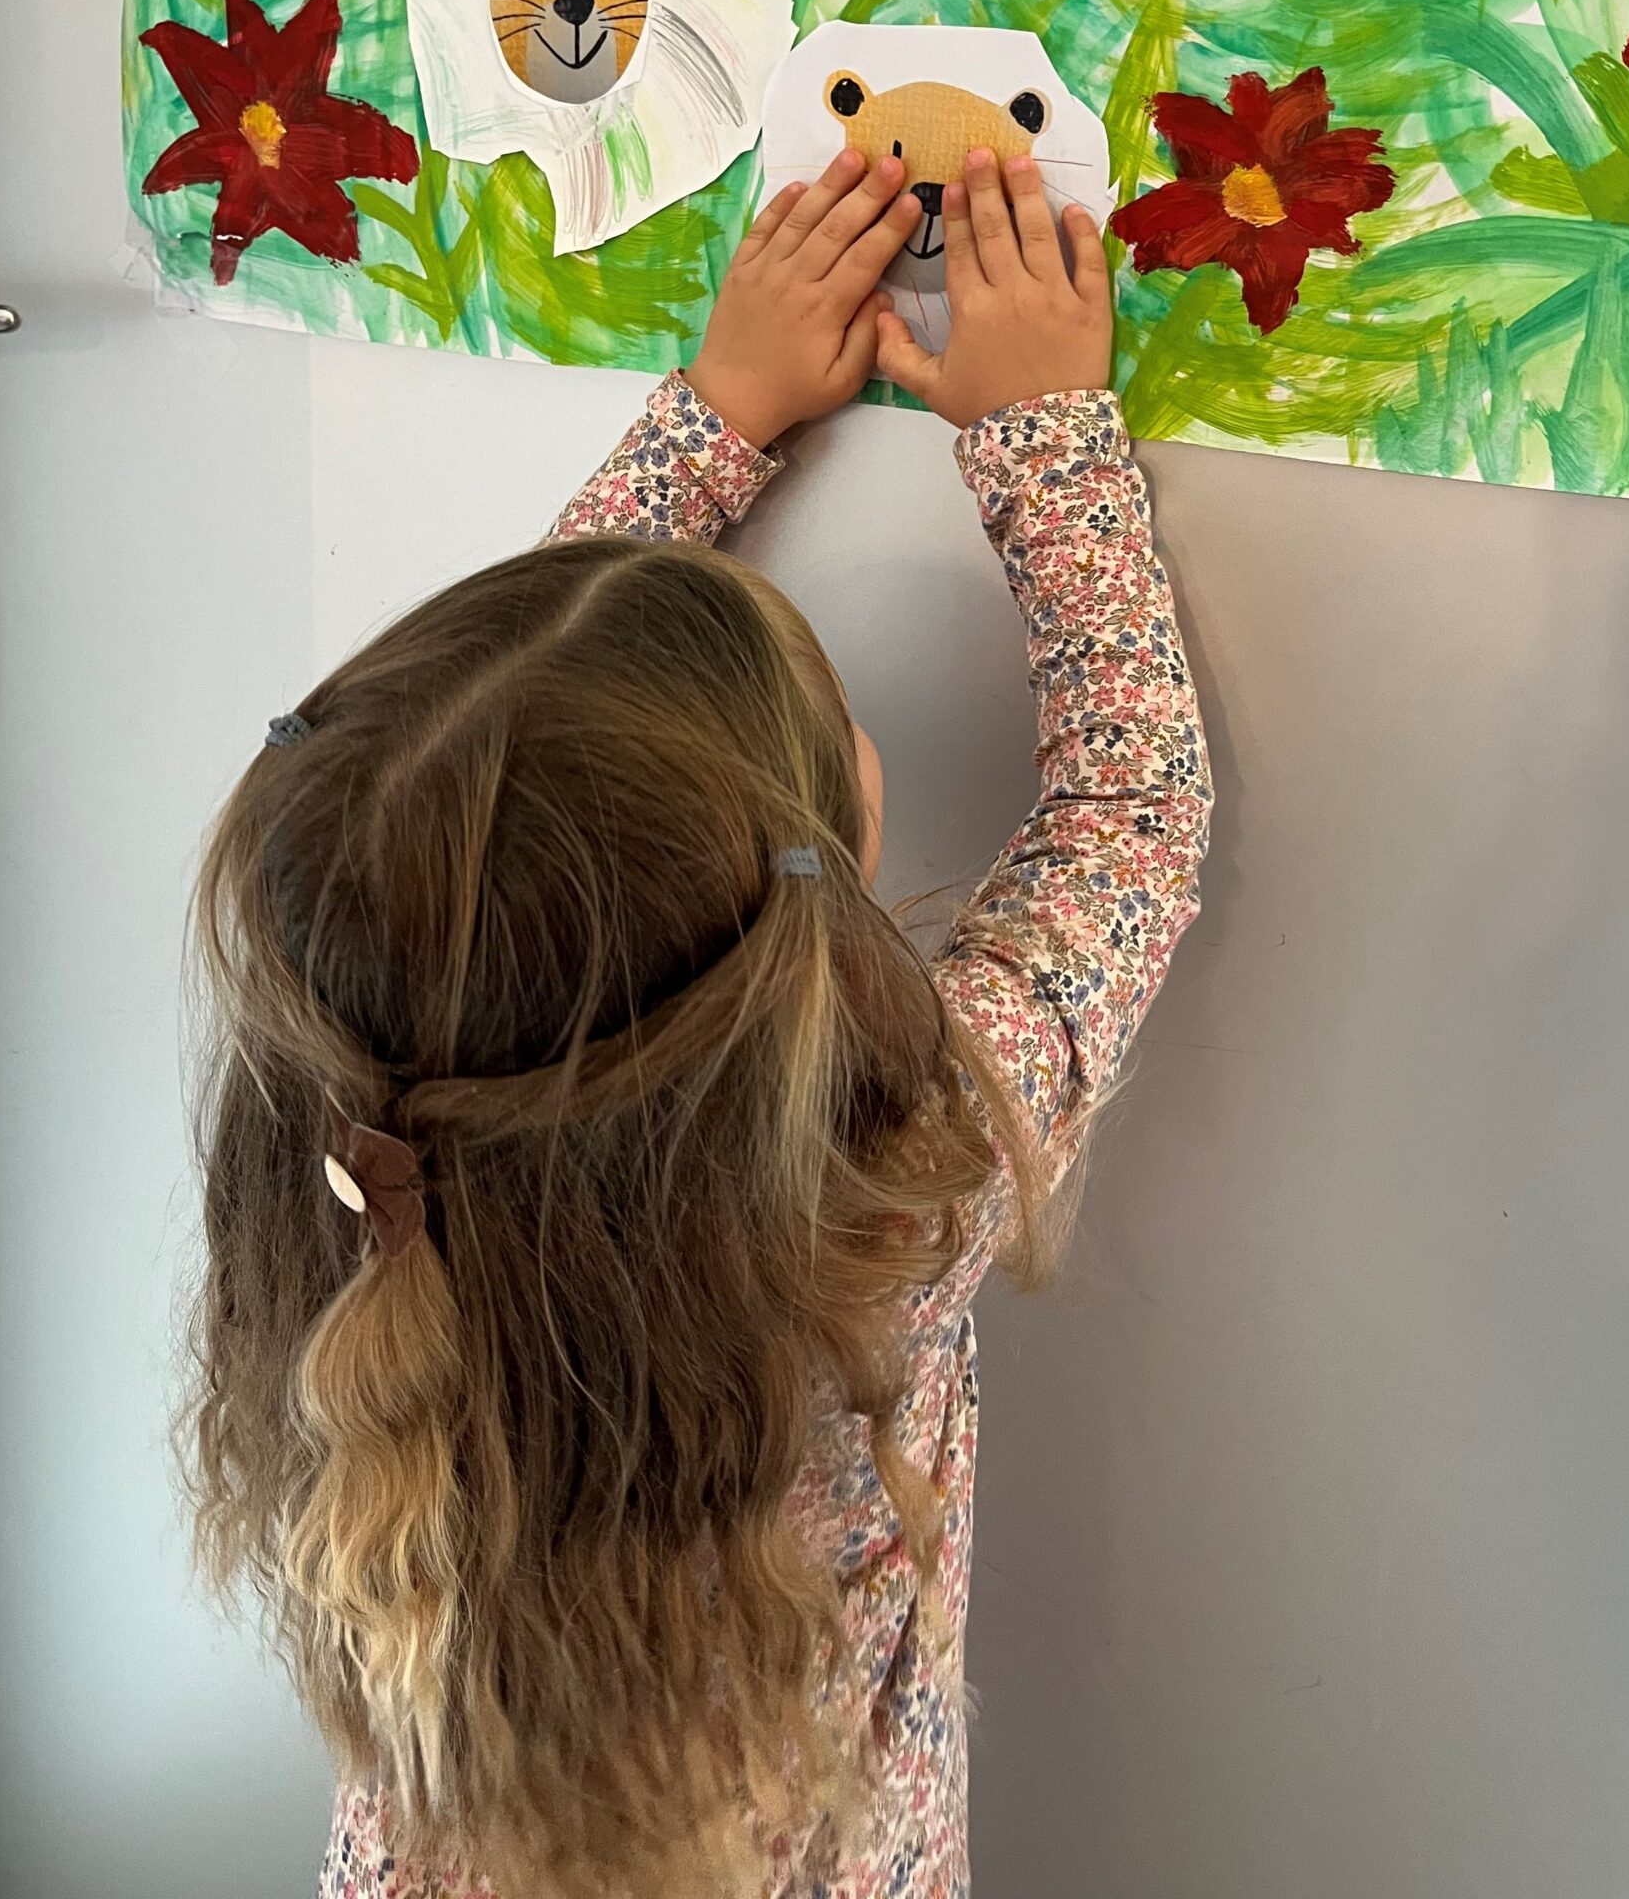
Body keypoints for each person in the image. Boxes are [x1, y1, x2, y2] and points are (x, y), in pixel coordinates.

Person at [186, 145, 1211, 1899]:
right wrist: (1043, 433)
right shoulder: (881, 1209)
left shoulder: (333, 1170)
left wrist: (715, 410)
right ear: (822, 862)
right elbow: (1134, 811)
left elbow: (489, 801)